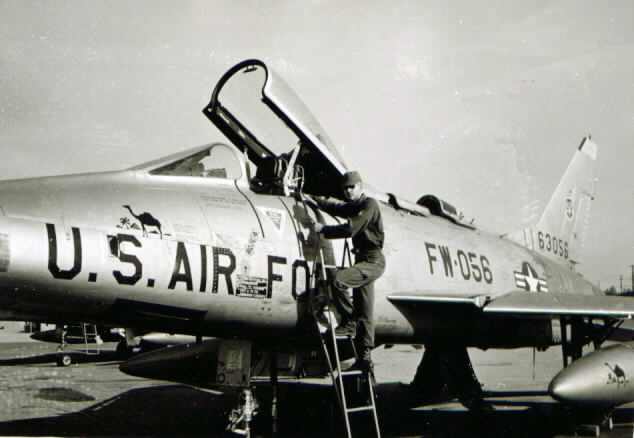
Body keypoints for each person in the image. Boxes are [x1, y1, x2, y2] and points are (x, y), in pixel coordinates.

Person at [311, 170, 385, 371]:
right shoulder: (356, 206)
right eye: (345, 188)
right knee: (365, 310)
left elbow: (350, 229)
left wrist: (323, 230)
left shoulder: (369, 205)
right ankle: (364, 359)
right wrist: (316, 201)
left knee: (338, 280)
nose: (348, 191)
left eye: (352, 187)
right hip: (362, 259)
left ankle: (348, 322)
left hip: (372, 260)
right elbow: (338, 208)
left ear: (361, 187)